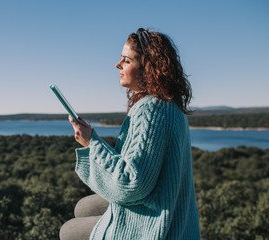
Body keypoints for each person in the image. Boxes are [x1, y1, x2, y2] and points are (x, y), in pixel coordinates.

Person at [60, 28, 201, 239]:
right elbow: (137, 164)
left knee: (68, 230)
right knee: (84, 207)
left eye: (126, 60)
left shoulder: (151, 109)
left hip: (159, 226)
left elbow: (132, 183)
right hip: (168, 204)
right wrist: (93, 141)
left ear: (148, 67)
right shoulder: (167, 105)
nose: (118, 65)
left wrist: (91, 144)